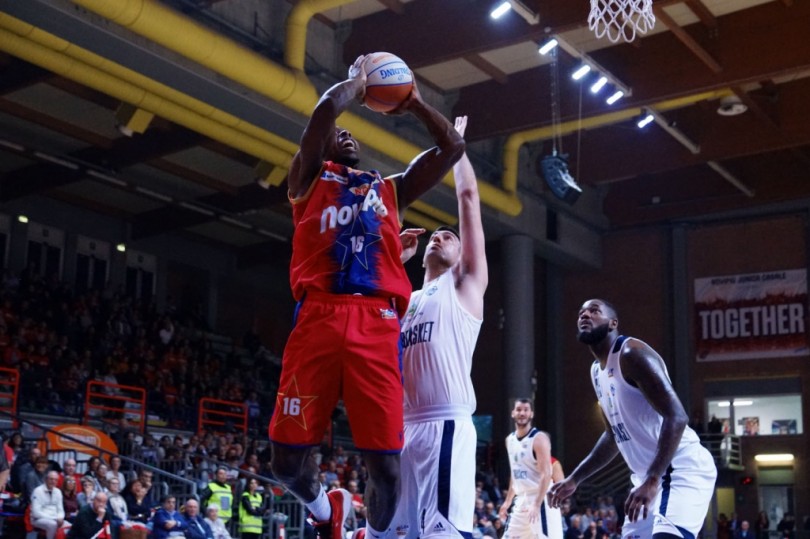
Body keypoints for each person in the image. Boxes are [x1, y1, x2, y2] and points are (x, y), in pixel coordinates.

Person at [268, 53, 465, 539]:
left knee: (386, 470)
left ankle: (373, 537)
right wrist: (360, 83)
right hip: (317, 316)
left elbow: (453, 147)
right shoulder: (308, 179)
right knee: (286, 463)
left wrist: (415, 103)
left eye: (352, 135)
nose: (348, 136)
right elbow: (323, 115)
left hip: (376, 323)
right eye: (342, 135)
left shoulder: (388, 190)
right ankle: (323, 511)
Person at [391, 114, 487, 539]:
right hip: (405, 428)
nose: (440, 237)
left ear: (463, 252)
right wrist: (396, 260)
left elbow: (467, 197)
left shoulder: (465, 284)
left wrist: (455, 149)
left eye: (450, 237)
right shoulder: (406, 299)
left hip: (446, 423)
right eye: (436, 235)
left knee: (443, 534)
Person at [548, 299, 717, 539]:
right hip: (646, 479)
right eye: (581, 312)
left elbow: (677, 416)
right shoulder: (596, 371)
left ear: (612, 323)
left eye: (594, 311)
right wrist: (574, 479)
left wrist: (652, 480)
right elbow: (612, 436)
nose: (585, 315)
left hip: (679, 469)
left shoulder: (631, 354)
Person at [498, 399, 563, 539]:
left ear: (531, 414)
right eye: (519, 409)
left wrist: (537, 503)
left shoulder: (539, 439)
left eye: (526, 410)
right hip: (522, 499)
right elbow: (515, 475)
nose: (522, 413)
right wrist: (507, 501)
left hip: (542, 499)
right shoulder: (509, 440)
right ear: (512, 413)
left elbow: (547, 474)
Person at [30, 470, 69, 539]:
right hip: (38, 519)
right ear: (46, 479)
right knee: (52, 524)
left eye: (55, 480)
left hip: (55, 519)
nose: (53, 481)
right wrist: (54, 518)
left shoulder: (58, 492)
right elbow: (36, 513)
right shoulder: (37, 491)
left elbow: (60, 509)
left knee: (69, 526)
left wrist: (60, 518)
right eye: (51, 479)